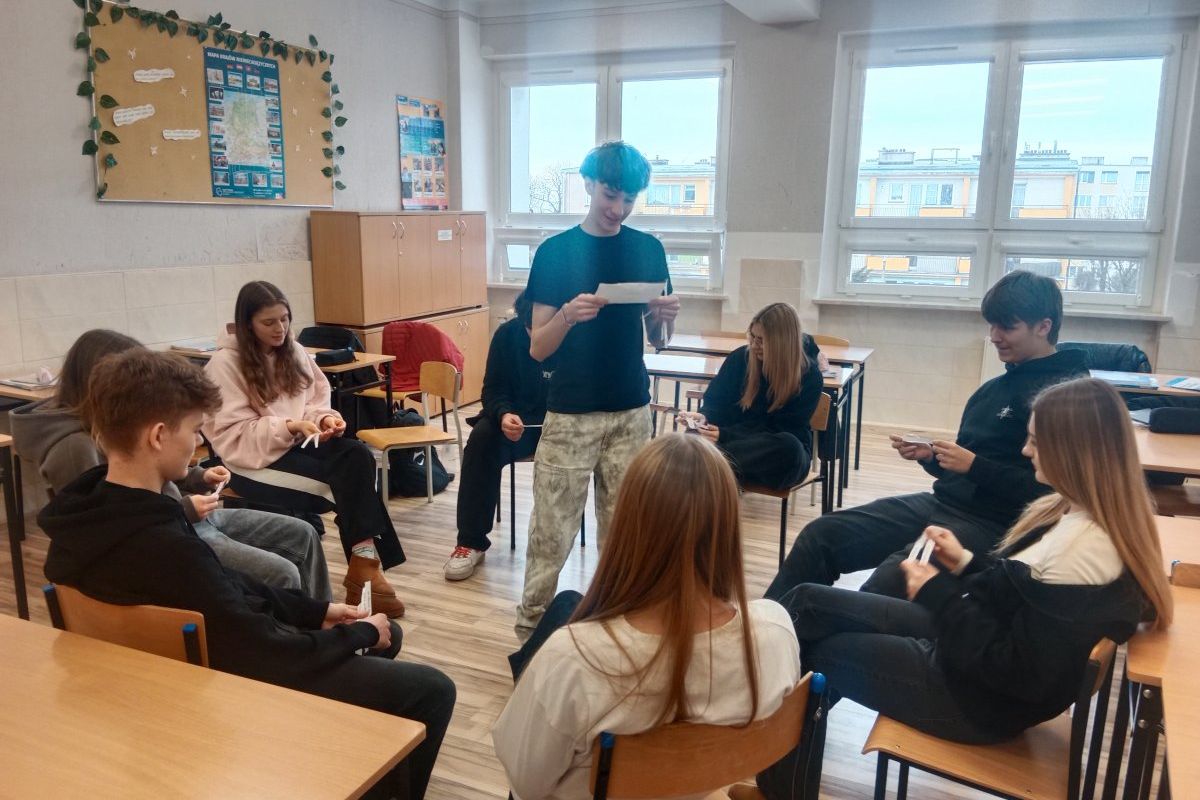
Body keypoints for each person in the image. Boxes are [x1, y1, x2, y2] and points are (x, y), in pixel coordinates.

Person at [38, 350, 456, 799]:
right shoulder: (165, 545)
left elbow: (221, 585)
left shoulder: (83, 523)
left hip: (153, 685)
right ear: (158, 436)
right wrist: (356, 635)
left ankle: (344, 762)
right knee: (431, 689)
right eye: (193, 430)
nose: (197, 442)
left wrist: (317, 611)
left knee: (385, 633)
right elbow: (266, 652)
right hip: (230, 690)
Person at [756, 378, 1171, 794]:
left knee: (816, 653)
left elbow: (1014, 670)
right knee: (807, 602)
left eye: (1035, 441)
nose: (1025, 451)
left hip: (974, 699)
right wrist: (966, 563)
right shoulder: (1080, 517)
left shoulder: (1081, 550)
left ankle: (771, 778)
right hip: (970, 657)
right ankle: (747, 696)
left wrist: (938, 592)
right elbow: (1016, 597)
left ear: (1072, 452)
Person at [493, 434, 802, 800]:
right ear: (729, 525)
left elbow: (525, 783)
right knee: (567, 605)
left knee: (566, 609)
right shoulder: (775, 632)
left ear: (628, 523)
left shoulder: (576, 659)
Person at [766, 270, 1089, 601]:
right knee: (821, 534)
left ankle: (808, 625)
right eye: (992, 325)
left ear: (1043, 326)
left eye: (1007, 327)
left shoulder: (1068, 400)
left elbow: (1058, 495)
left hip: (992, 524)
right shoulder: (993, 390)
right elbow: (967, 468)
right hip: (942, 504)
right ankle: (762, 628)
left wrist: (974, 466)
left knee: (888, 582)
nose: (994, 336)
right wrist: (934, 457)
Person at [10, 329, 331, 599]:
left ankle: (326, 627)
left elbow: (149, 474)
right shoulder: (74, 447)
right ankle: (304, 639)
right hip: (172, 532)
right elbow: (105, 528)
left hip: (183, 518)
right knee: (281, 573)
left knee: (303, 534)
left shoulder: (116, 428)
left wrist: (196, 477)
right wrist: (184, 509)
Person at [515, 141, 681, 634]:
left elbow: (659, 340)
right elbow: (538, 348)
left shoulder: (648, 249)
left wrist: (663, 317)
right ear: (588, 184)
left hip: (631, 411)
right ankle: (530, 631)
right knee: (552, 533)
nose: (618, 209)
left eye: (629, 199)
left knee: (627, 533)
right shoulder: (556, 252)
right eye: (611, 195)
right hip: (572, 414)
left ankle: (619, 627)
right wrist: (568, 315)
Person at [203, 281, 406, 617]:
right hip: (250, 462)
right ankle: (366, 574)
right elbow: (232, 434)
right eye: (269, 322)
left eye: (285, 319)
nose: (280, 328)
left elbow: (314, 401)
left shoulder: (294, 351)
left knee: (356, 455)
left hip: (295, 444)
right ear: (247, 324)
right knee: (345, 489)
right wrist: (290, 426)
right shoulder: (224, 365)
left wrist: (324, 419)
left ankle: (364, 569)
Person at [444, 292, 552, 581]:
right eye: (530, 328)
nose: (535, 336)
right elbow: (492, 390)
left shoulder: (571, 336)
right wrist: (504, 414)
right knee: (481, 440)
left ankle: (552, 546)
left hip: (560, 426)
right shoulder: (507, 335)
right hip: (516, 425)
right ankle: (470, 542)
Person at [678, 303, 824, 490]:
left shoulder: (809, 376)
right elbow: (716, 401)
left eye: (762, 340)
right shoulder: (740, 359)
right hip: (734, 446)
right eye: (752, 337)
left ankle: (709, 460)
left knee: (790, 447)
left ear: (781, 343)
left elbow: (780, 428)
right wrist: (704, 417)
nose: (754, 346)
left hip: (772, 458)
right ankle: (711, 462)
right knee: (693, 436)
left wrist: (725, 436)